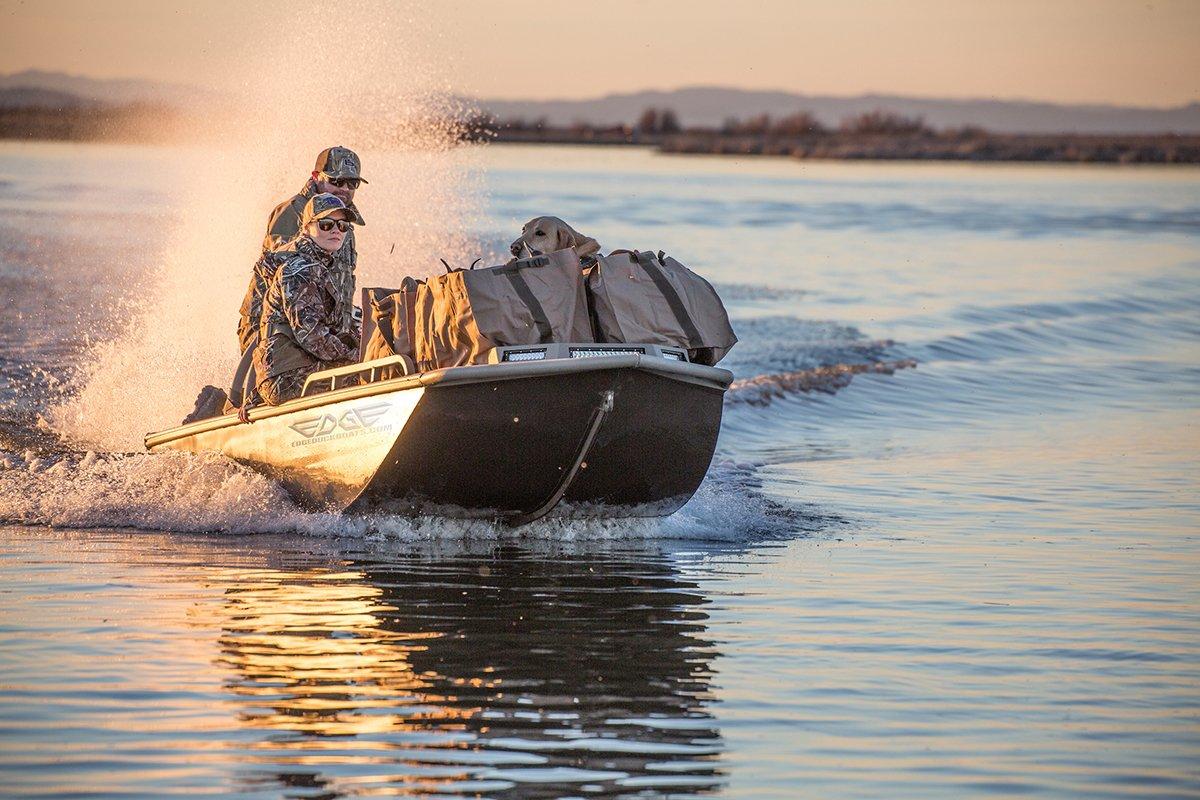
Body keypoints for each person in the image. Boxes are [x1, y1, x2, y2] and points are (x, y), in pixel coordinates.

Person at [236, 146, 367, 357]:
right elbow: (284, 278)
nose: (345, 188)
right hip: (278, 334)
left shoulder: (343, 220)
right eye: (336, 181)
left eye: (352, 183)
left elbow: (337, 285)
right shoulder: (293, 213)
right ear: (316, 177)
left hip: (317, 329)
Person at [252, 193, 362, 407]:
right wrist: (356, 355)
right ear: (306, 228)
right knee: (370, 374)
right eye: (326, 224)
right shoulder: (299, 271)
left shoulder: (321, 266)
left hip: (296, 366)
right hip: (286, 376)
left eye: (342, 226)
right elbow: (312, 336)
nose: (336, 231)